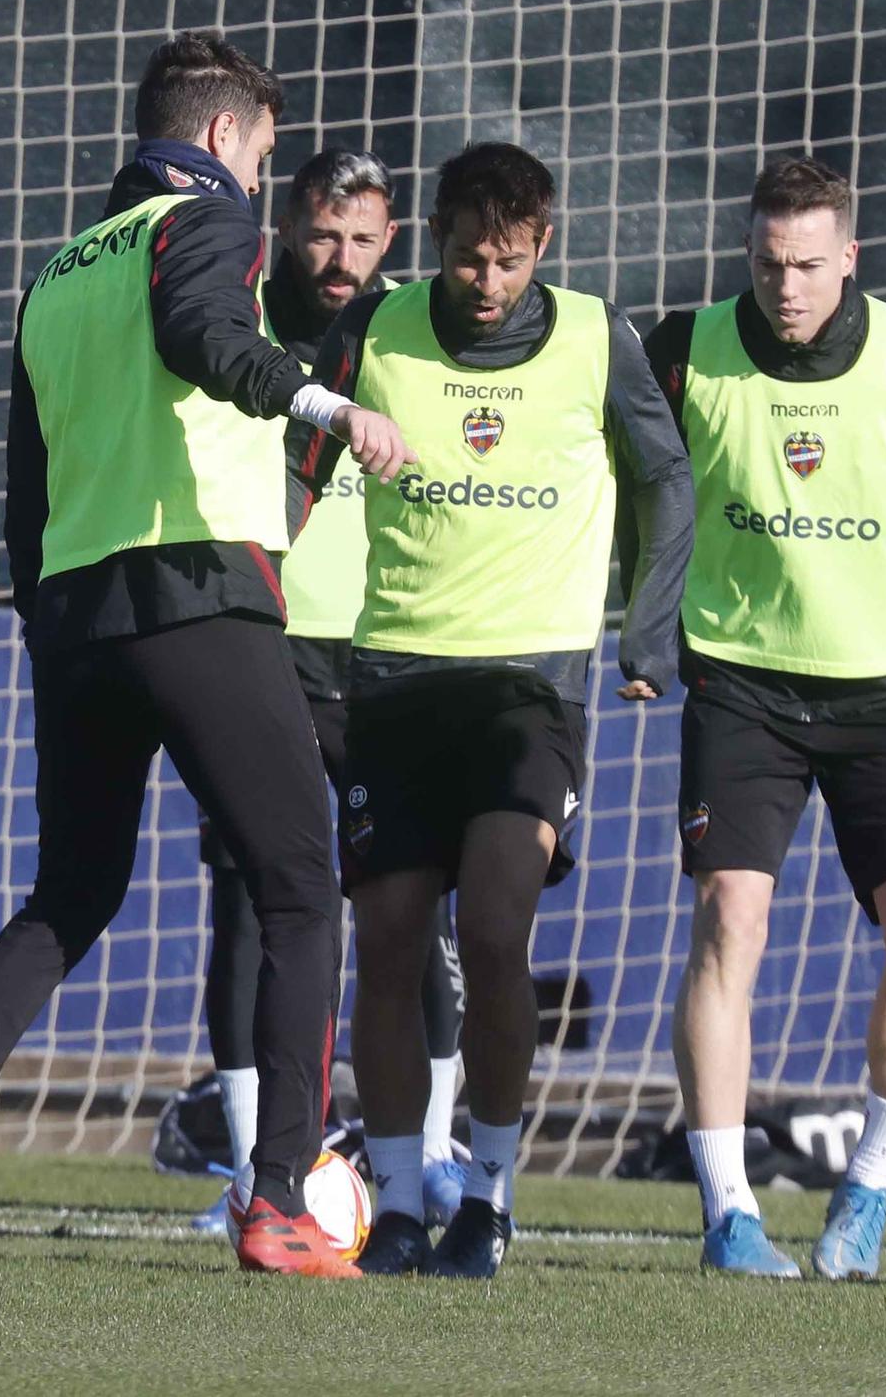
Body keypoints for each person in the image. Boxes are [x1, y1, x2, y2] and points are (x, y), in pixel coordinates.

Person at [0, 32, 411, 1280]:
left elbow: (28, 484)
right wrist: (331, 408)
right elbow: (199, 337)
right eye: (266, 156)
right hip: (190, 592)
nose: (265, 185)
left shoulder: (56, 271)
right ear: (221, 141)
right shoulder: (205, 226)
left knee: (72, 892)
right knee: (295, 883)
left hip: (75, 620)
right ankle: (277, 1198)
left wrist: (46, 625)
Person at [285, 141, 694, 1279]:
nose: (488, 282)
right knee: (391, 947)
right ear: (434, 243)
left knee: (499, 932)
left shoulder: (594, 336)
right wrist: (256, 581)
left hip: (531, 688)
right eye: (468, 258)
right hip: (396, 681)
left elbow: (666, 475)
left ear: (543, 246)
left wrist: (647, 629)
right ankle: (405, 1202)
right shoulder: (376, 330)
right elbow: (302, 457)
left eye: (509, 262)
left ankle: (495, 1195)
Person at [641, 155, 886, 1280]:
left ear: (850, 257)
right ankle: (730, 1214)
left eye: (806, 265)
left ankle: (870, 1188)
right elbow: (627, 484)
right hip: (740, 682)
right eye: (766, 263)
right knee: (730, 920)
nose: (785, 287)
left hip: (884, 687)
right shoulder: (684, 349)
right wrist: (645, 634)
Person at [188, 149, 469, 1236]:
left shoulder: (412, 330)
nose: (339, 258)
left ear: (391, 238)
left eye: (361, 238)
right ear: (285, 222)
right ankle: (256, 1169)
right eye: (320, 232)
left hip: (389, 650)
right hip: (257, 647)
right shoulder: (231, 320)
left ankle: (436, 1153)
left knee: (415, 899)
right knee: (250, 905)